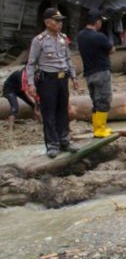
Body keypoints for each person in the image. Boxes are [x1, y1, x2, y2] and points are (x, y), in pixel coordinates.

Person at [26, 8, 81, 158]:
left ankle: (65, 141)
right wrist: (30, 84)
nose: (60, 23)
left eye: (61, 21)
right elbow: (31, 64)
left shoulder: (63, 38)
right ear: (47, 22)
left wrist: (74, 78)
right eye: (56, 21)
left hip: (62, 79)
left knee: (62, 111)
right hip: (47, 80)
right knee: (49, 112)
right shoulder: (39, 40)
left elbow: (68, 59)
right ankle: (52, 144)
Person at [76, 10, 114, 138]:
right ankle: (100, 129)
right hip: (102, 71)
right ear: (97, 22)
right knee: (103, 100)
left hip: (89, 73)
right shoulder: (99, 36)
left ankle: (96, 128)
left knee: (95, 101)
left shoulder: (80, 36)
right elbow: (111, 50)